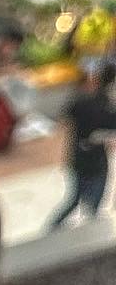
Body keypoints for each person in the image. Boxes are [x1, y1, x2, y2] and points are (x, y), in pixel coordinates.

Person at [47, 61, 116, 230]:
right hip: (90, 159)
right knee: (84, 200)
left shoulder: (83, 101)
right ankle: (60, 227)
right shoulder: (95, 104)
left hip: (85, 157)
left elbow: (64, 121)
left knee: (80, 200)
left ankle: (55, 227)